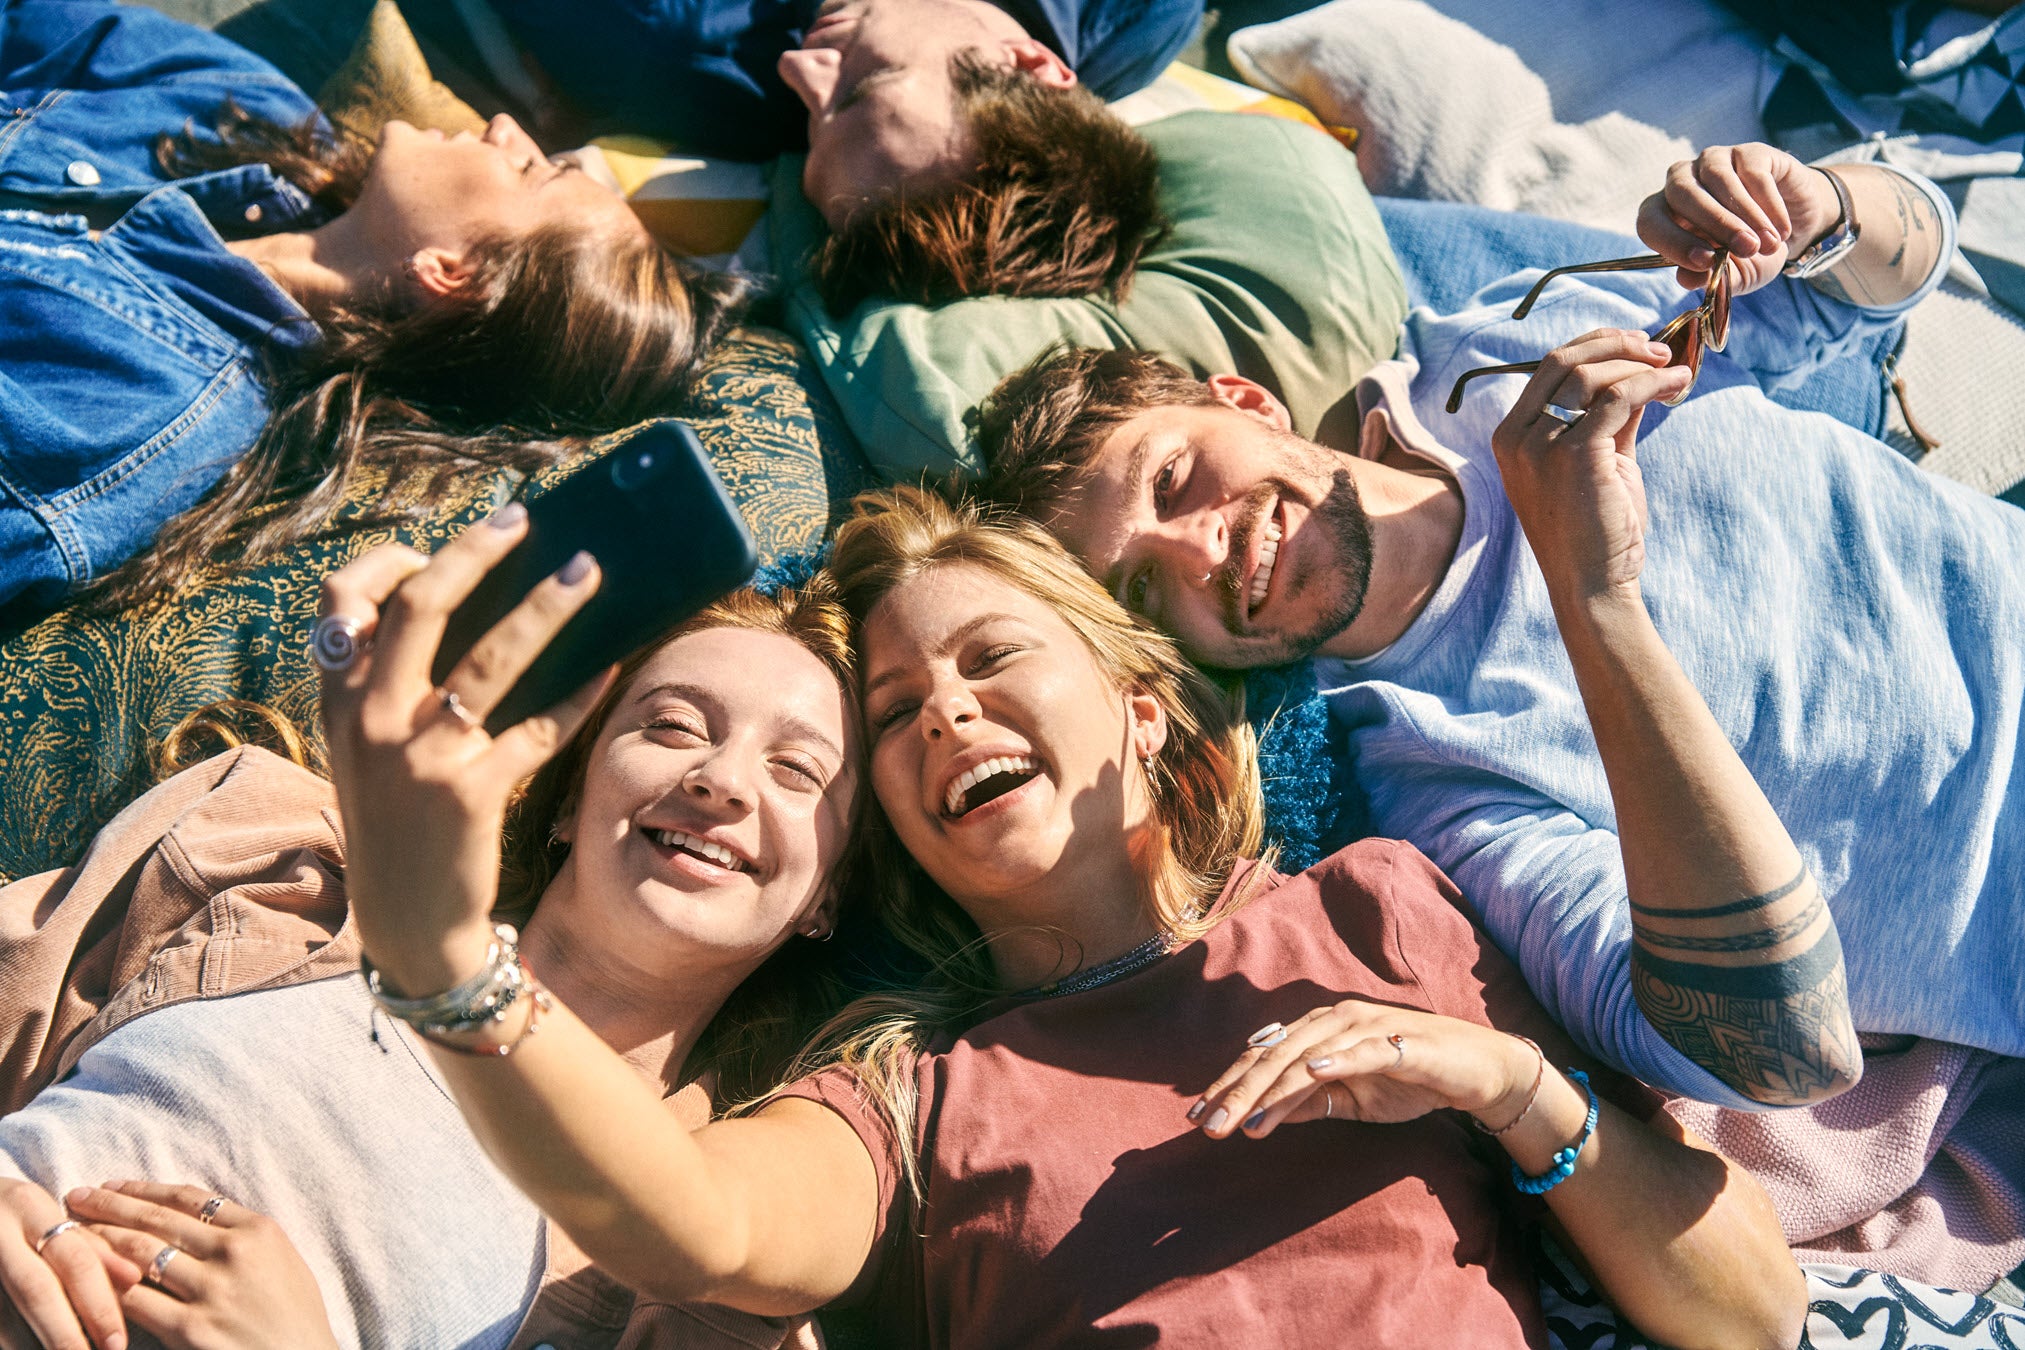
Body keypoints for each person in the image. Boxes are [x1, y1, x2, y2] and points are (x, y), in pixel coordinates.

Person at [318, 484, 1805, 1349]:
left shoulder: (1378, 905)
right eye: (895, 711)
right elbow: (695, 1220)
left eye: (991, 656)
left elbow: (1751, 1311)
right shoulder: (916, 1093)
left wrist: (1507, 1085)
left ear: (1142, 712)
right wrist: (455, 967)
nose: (946, 709)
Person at [964, 142, 2025, 1117]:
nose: (1206, 551)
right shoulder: (1430, 788)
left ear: (1246, 400)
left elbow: (1906, 255)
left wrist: (1819, 206)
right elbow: (1781, 1054)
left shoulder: (1503, 342)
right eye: (1146, 592)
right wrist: (1593, 599)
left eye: (1178, 477)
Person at [0, 523, 861, 1350]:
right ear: (568, 798)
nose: (718, 780)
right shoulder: (285, 851)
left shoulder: (714, 1271)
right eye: (672, 725)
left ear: (826, 896)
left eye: (796, 771)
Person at [0, 0, 742, 615]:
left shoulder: (136, 412)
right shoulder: (252, 103)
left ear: (452, 273)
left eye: (526, 170)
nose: (505, 127)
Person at [485, 0, 1169, 308]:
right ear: (1033, 63)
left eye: (810, 126)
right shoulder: (1142, 19)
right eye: (865, 85)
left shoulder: (658, 39)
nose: (798, 70)